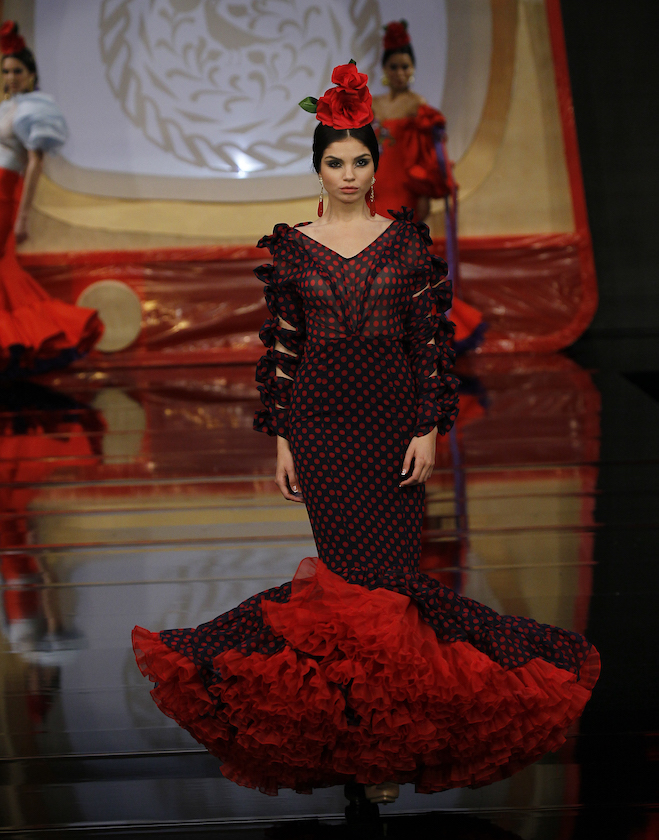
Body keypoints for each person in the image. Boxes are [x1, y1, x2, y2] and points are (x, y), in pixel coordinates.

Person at [132, 63, 599, 802]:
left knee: (392, 583)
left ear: (375, 167)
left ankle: (377, 738)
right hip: (320, 428)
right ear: (317, 168)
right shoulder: (294, 246)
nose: (347, 175)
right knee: (348, 584)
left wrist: (427, 427)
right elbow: (283, 347)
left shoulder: (404, 242)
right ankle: (362, 740)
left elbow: (430, 344)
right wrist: (283, 439)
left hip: (391, 425)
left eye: (358, 162)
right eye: (334, 162)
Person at [373, 20, 485, 352]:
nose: (400, 72)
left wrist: (423, 197)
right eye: (394, 66)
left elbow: (424, 158)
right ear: (385, 70)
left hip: (404, 191)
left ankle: (423, 334)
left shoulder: (418, 106)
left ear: (413, 69)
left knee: (405, 266)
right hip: (376, 189)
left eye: (406, 66)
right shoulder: (374, 105)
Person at [0, 21, 102, 377]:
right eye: (6, 71)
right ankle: (18, 347)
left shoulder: (34, 109)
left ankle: (35, 339)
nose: (11, 77)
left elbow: (35, 162)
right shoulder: (7, 107)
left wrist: (23, 216)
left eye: (18, 71)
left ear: (31, 74)